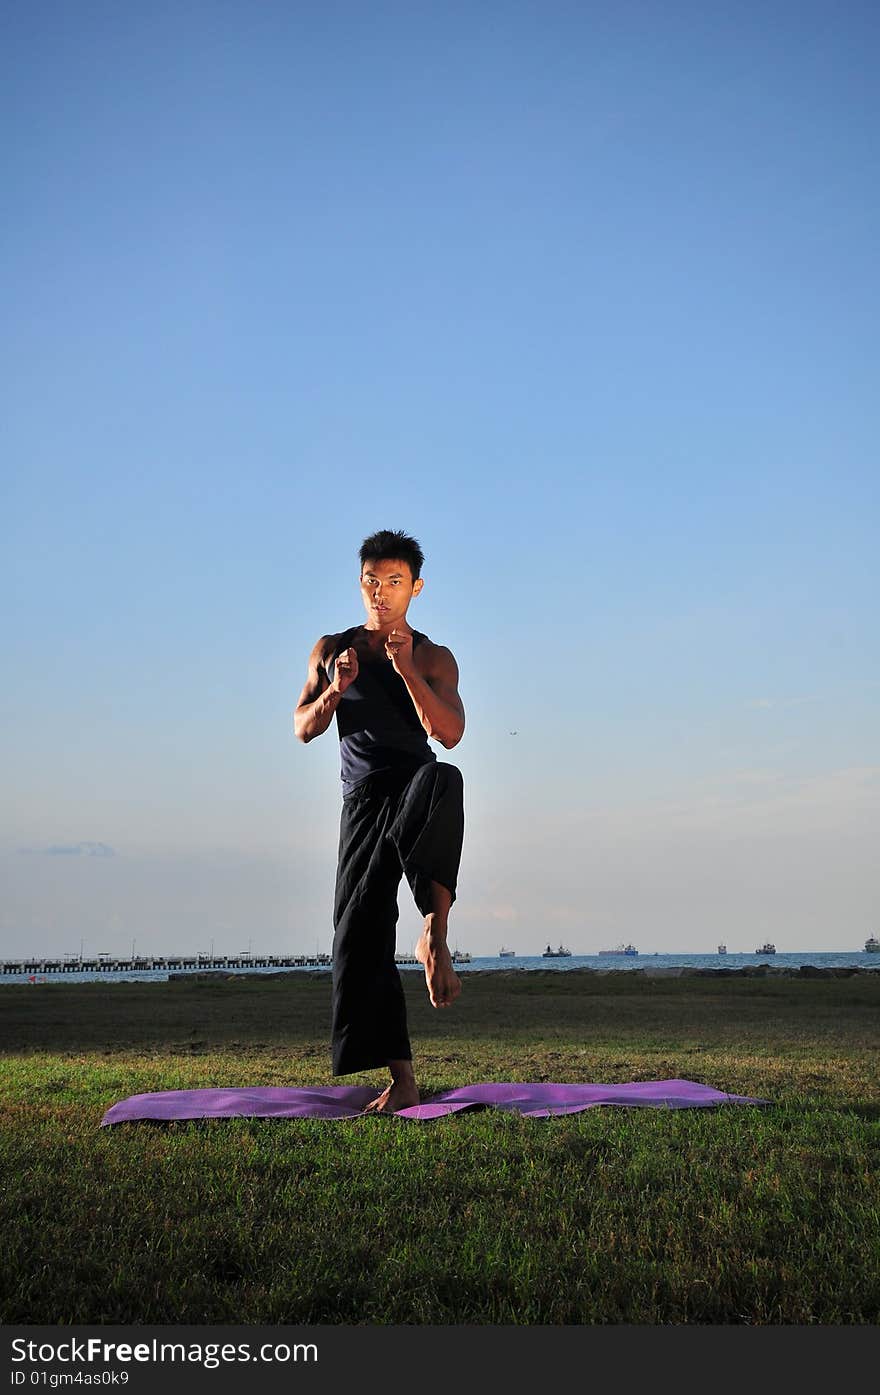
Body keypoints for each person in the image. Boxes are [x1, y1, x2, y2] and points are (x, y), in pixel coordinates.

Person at [293, 529, 466, 1114]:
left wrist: (409, 672)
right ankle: (404, 1077)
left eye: (395, 583)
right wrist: (335, 692)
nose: (382, 594)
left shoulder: (434, 657)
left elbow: (450, 734)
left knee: (447, 777)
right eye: (372, 582)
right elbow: (302, 726)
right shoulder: (333, 649)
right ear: (360, 585)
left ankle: (434, 930)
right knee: (357, 932)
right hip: (362, 801)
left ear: (415, 588)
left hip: (414, 783)